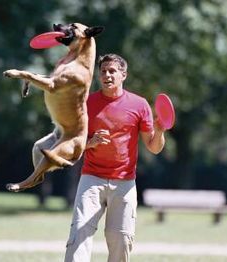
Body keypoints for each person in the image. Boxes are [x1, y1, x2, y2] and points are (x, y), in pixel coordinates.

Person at [64, 54, 166, 262]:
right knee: (79, 233)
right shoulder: (87, 103)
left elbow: (154, 147)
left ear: (123, 75)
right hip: (91, 179)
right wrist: (90, 143)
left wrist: (159, 129)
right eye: (103, 71)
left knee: (121, 239)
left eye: (112, 71)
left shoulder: (139, 105)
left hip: (125, 182)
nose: (107, 75)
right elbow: (72, 143)